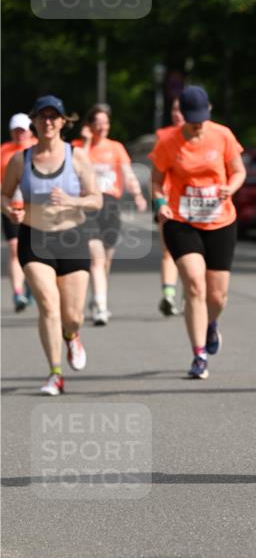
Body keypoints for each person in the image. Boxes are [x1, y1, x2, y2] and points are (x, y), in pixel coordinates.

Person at [0, 95, 102, 395]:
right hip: (36, 238)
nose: (47, 122)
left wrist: (73, 200)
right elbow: (4, 196)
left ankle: (72, 335)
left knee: (73, 315)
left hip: (72, 238)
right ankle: (55, 374)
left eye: (53, 116)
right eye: (42, 116)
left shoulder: (77, 156)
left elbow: (96, 199)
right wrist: (10, 209)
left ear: (62, 122)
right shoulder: (21, 159)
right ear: (33, 121)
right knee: (47, 304)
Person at [149, 85, 246, 379]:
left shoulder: (223, 135)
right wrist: (162, 203)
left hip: (220, 220)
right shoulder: (168, 142)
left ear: (209, 112)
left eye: (200, 119)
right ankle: (199, 354)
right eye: (191, 119)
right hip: (182, 220)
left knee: (217, 296)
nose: (195, 125)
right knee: (194, 283)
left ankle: (211, 323)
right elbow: (155, 180)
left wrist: (232, 186)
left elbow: (239, 170)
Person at [75, 104, 147, 325]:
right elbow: (78, 167)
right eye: (97, 123)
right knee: (96, 258)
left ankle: (98, 295)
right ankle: (101, 307)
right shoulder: (77, 147)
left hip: (111, 205)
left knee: (105, 260)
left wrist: (137, 195)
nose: (102, 127)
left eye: (105, 123)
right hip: (87, 205)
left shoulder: (115, 148)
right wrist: (86, 142)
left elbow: (127, 173)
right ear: (89, 125)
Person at [1, 113, 37, 311]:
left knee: (32, 252)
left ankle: (30, 284)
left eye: (22, 130)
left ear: (30, 130)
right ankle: (17, 293)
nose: (19, 134)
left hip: (34, 209)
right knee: (15, 250)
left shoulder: (39, 149)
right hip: (12, 208)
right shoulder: (4, 151)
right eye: (16, 131)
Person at [155, 96, 184, 316]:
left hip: (199, 205)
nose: (177, 113)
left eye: (181, 109)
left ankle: (190, 295)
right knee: (169, 250)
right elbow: (155, 175)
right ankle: (169, 295)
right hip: (169, 203)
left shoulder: (210, 135)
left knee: (197, 254)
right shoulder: (163, 137)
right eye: (174, 109)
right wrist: (159, 201)